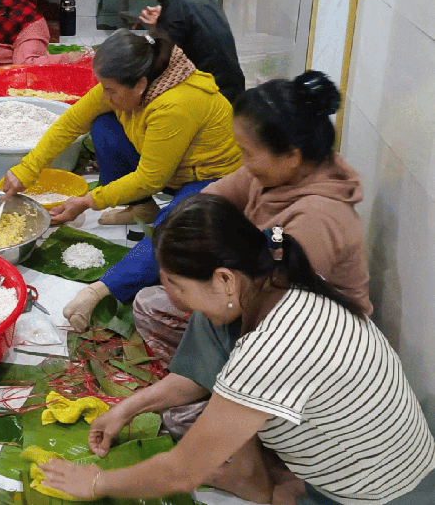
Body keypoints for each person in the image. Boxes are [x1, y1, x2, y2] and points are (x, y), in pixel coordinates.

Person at [40, 194, 435, 505]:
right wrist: (127, 409)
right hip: (398, 459)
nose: (174, 299)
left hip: (381, 493)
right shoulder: (279, 276)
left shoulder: (270, 350)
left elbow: (182, 471)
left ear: (225, 279)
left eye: (177, 286)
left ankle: (272, 485)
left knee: (260, 478)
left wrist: (96, 481)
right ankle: (265, 480)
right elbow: (205, 376)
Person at [132, 71, 372, 367]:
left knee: (192, 310)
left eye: (247, 152)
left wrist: (192, 290)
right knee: (152, 304)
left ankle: (214, 381)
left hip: (307, 341)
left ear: (292, 156)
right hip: (255, 296)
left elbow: (277, 307)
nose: (243, 163)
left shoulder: (318, 219)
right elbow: (204, 203)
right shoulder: (272, 174)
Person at [2, 29, 241, 326]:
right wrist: (27, 168)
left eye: (110, 89)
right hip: (169, 166)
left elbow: (150, 179)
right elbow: (71, 123)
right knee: (103, 125)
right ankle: (141, 207)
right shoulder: (132, 83)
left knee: (174, 231)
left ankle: (102, 290)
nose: (104, 95)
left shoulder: (175, 104)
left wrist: (88, 201)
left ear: (140, 85)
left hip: (208, 178)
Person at [135, 0, 245, 102]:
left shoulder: (176, 4)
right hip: (233, 96)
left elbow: (158, 68)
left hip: (214, 101)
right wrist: (162, 22)